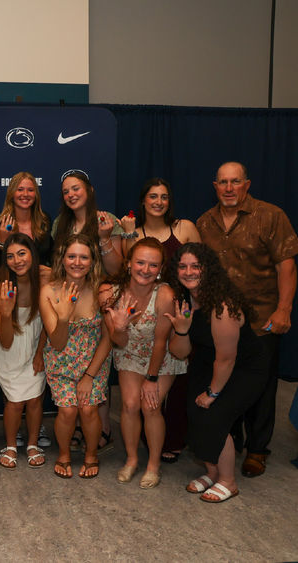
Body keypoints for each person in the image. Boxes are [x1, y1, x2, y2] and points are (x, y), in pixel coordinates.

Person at [196, 161, 298, 478]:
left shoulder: (271, 216)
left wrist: (284, 309)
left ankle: (257, 450)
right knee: (225, 383)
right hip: (221, 321)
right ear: (215, 186)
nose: (228, 188)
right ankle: (232, 442)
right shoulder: (204, 223)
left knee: (263, 389)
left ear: (247, 184)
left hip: (262, 319)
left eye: (235, 182)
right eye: (223, 182)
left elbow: (287, 266)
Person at [167, 243, 269, 502]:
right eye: (182, 266)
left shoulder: (223, 305)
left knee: (214, 415)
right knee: (194, 412)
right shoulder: (185, 300)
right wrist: (181, 329)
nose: (188, 271)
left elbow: (227, 357)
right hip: (208, 360)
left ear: (207, 269)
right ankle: (212, 473)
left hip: (244, 368)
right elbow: (180, 352)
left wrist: (213, 392)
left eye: (195, 266)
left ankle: (228, 481)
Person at [118, 177, 200, 463]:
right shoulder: (131, 231)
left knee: (178, 386)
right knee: (138, 401)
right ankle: (142, 448)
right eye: (152, 196)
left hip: (179, 311)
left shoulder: (185, 227)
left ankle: (176, 440)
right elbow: (120, 269)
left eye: (164, 196)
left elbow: (201, 265)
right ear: (143, 200)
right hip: (142, 316)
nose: (158, 202)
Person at [99, 238, 187, 488]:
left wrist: (151, 380)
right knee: (128, 404)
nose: (145, 270)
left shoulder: (165, 294)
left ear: (161, 269)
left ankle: (153, 465)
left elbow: (160, 342)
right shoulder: (111, 292)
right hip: (129, 351)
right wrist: (120, 327)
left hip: (161, 358)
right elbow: (118, 340)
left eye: (153, 265)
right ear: (128, 264)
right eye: (140, 262)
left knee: (150, 407)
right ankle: (132, 459)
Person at [52, 170, 121, 453]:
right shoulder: (60, 224)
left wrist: (104, 239)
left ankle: (102, 429)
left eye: (76, 188)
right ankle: (81, 428)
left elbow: (117, 268)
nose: (71, 194)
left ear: (89, 190)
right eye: (66, 190)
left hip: (102, 296)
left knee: (98, 363)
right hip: (71, 296)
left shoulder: (107, 221)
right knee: (75, 362)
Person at [40, 234, 111, 479]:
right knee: (68, 411)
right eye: (72, 256)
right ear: (62, 259)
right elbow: (58, 344)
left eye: (84, 257)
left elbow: (108, 338)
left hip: (94, 361)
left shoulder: (103, 289)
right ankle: (64, 454)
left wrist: (89, 376)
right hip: (61, 361)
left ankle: (91, 454)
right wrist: (63, 317)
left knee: (89, 409)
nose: (77, 262)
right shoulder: (48, 291)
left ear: (92, 261)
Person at [0, 233, 48, 469]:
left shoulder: (44, 281)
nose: (17, 260)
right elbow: (4, 341)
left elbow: (47, 326)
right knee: (14, 402)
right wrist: (5, 313)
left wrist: (40, 353)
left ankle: (32, 444)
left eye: (22, 253)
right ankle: (11, 445)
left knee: (34, 400)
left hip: (36, 346)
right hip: (9, 348)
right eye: (10, 256)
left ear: (32, 253)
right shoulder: (0, 286)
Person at [0, 171, 52, 268]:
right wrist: (3, 242)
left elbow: (50, 257)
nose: (25, 194)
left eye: (30, 190)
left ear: (36, 194)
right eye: (20, 189)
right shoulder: (2, 223)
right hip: (11, 281)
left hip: (41, 280)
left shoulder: (44, 220)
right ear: (12, 194)